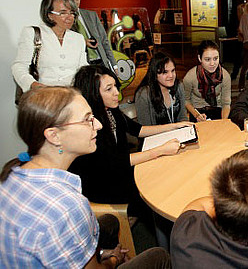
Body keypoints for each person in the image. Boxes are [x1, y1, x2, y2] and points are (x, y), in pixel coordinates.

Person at [0, 87, 171, 268]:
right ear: (54, 135)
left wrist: (102, 253)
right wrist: (113, 260)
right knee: (158, 256)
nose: (98, 124)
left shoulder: (14, 171)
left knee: (110, 222)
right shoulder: (67, 206)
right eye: (87, 120)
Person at [69, 65, 190, 216]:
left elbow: (138, 130)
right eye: (109, 89)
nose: (116, 93)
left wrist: (174, 126)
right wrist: (160, 150)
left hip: (121, 172)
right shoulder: (89, 126)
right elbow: (114, 163)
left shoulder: (111, 110)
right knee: (158, 192)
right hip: (105, 186)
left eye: (115, 86)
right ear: (93, 94)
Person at [12, 0, 87, 92]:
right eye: (63, 13)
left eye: (72, 12)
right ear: (49, 15)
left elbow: (83, 68)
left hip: (72, 95)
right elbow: (19, 66)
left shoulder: (78, 38)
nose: (70, 17)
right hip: (43, 96)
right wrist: (33, 85)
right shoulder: (33, 33)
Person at [58, 0, 117, 72]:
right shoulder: (59, 19)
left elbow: (104, 41)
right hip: (82, 67)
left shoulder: (91, 15)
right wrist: (82, 41)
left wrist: (114, 65)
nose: (74, 1)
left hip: (102, 63)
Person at [183, 40, 231, 122]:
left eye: (216, 58)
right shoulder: (190, 77)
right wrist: (197, 115)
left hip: (217, 110)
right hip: (197, 111)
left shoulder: (225, 76)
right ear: (199, 58)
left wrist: (223, 122)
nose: (212, 63)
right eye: (207, 59)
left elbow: (226, 104)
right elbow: (185, 100)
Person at [135, 52, 187, 125]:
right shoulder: (144, 94)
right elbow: (145, 128)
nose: (171, 75)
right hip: (156, 136)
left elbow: (183, 117)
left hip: (178, 134)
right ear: (155, 74)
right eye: (165, 72)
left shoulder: (179, 86)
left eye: (173, 70)